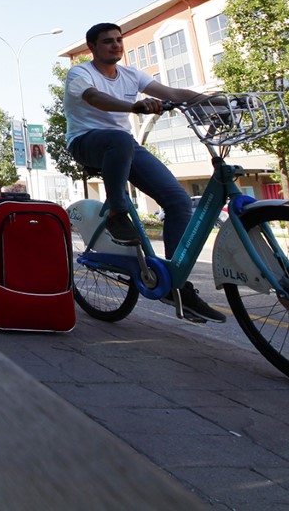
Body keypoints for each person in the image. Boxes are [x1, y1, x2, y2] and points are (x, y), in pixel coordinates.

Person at [64, 22, 225, 323]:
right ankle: (116, 212)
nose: (115, 45)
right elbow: (94, 98)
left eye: (118, 40)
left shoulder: (131, 74)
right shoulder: (80, 74)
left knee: (178, 201)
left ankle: (176, 282)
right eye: (107, 41)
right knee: (120, 139)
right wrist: (134, 107)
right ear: (93, 48)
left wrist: (218, 100)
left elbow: (173, 92)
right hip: (86, 142)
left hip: (124, 146)